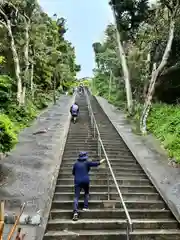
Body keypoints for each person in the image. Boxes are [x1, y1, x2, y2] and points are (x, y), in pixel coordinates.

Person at [72, 151, 105, 221]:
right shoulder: (87, 162)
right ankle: (85, 207)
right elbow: (95, 164)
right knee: (86, 193)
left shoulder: (75, 164)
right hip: (86, 181)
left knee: (76, 196)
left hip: (77, 181)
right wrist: (101, 161)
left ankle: (75, 212)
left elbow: (73, 173)